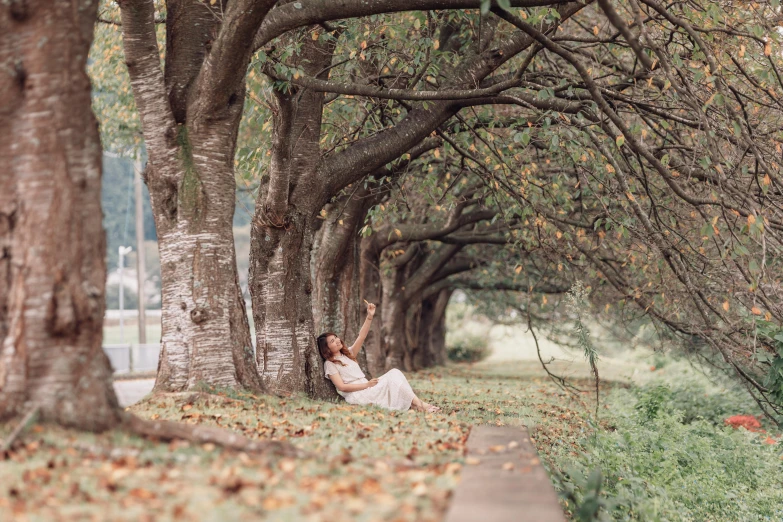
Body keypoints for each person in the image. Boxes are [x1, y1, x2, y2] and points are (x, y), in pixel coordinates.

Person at [317, 302, 441, 413]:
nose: (337, 340)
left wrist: (369, 317)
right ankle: (422, 405)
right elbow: (342, 387)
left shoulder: (348, 354)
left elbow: (361, 337)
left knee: (395, 374)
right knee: (393, 375)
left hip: (368, 388)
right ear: (326, 348)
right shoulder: (330, 364)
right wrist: (367, 385)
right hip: (359, 394)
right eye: (332, 341)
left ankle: (419, 405)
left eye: (336, 337)